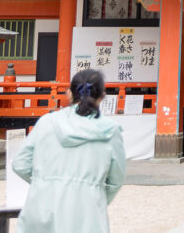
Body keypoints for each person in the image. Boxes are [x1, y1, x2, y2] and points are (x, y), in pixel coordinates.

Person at [13, 69, 126, 233]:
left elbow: (20, 164)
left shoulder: (46, 122)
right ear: (102, 96)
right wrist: (94, 193)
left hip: (41, 205)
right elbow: (116, 180)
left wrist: (44, 181)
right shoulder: (110, 131)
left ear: (69, 93)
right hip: (87, 210)